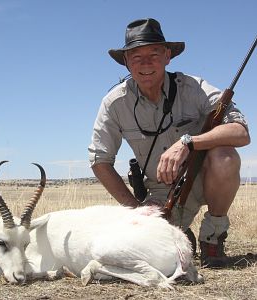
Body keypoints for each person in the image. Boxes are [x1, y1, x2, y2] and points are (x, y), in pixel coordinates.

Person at [88, 18, 250, 268]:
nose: (145, 63)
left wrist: (188, 142)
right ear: (127, 63)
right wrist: (135, 209)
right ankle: (178, 233)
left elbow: (241, 132)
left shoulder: (194, 87)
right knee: (151, 251)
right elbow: (100, 160)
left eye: (153, 53)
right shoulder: (114, 103)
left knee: (225, 156)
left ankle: (213, 238)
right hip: (161, 192)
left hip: (206, 176)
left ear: (167, 57)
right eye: (136, 56)